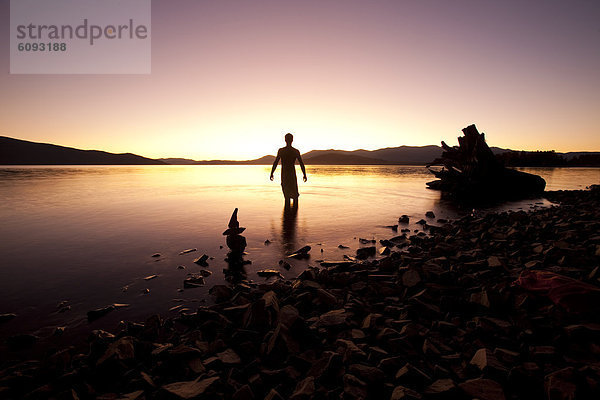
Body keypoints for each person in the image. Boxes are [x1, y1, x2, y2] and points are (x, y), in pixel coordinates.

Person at [270, 133, 307, 207]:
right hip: (291, 174)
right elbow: (301, 164)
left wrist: (272, 173)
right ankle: (291, 216)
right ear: (292, 140)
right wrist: (304, 174)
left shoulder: (281, 151)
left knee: (287, 197)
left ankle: (288, 217)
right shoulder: (295, 151)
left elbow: (276, 162)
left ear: (285, 140)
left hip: (285, 175)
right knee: (294, 196)